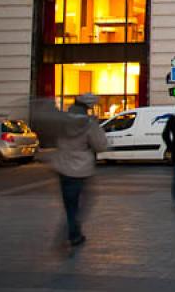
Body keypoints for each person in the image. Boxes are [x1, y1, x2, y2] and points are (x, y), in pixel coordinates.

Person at [53, 94, 107, 247]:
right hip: (81, 169)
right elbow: (101, 145)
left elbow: (52, 137)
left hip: (63, 166)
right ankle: (72, 232)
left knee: (70, 204)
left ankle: (73, 232)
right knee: (86, 201)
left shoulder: (61, 120)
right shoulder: (89, 123)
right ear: (87, 107)